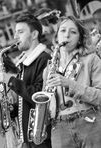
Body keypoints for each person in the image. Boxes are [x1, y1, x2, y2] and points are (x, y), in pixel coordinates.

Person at [43, 15, 101, 148]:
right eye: (62, 31)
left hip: (88, 122)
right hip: (59, 127)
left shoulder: (92, 60)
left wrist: (70, 84)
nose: (67, 35)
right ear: (56, 36)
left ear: (80, 38)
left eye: (73, 32)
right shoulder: (49, 69)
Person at [1, 12, 52, 148]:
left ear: (34, 34)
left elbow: (39, 96)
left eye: (20, 32)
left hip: (41, 136)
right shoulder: (25, 62)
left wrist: (11, 81)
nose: (15, 36)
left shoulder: (44, 59)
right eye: (15, 32)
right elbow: (26, 99)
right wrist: (12, 109)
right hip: (27, 137)